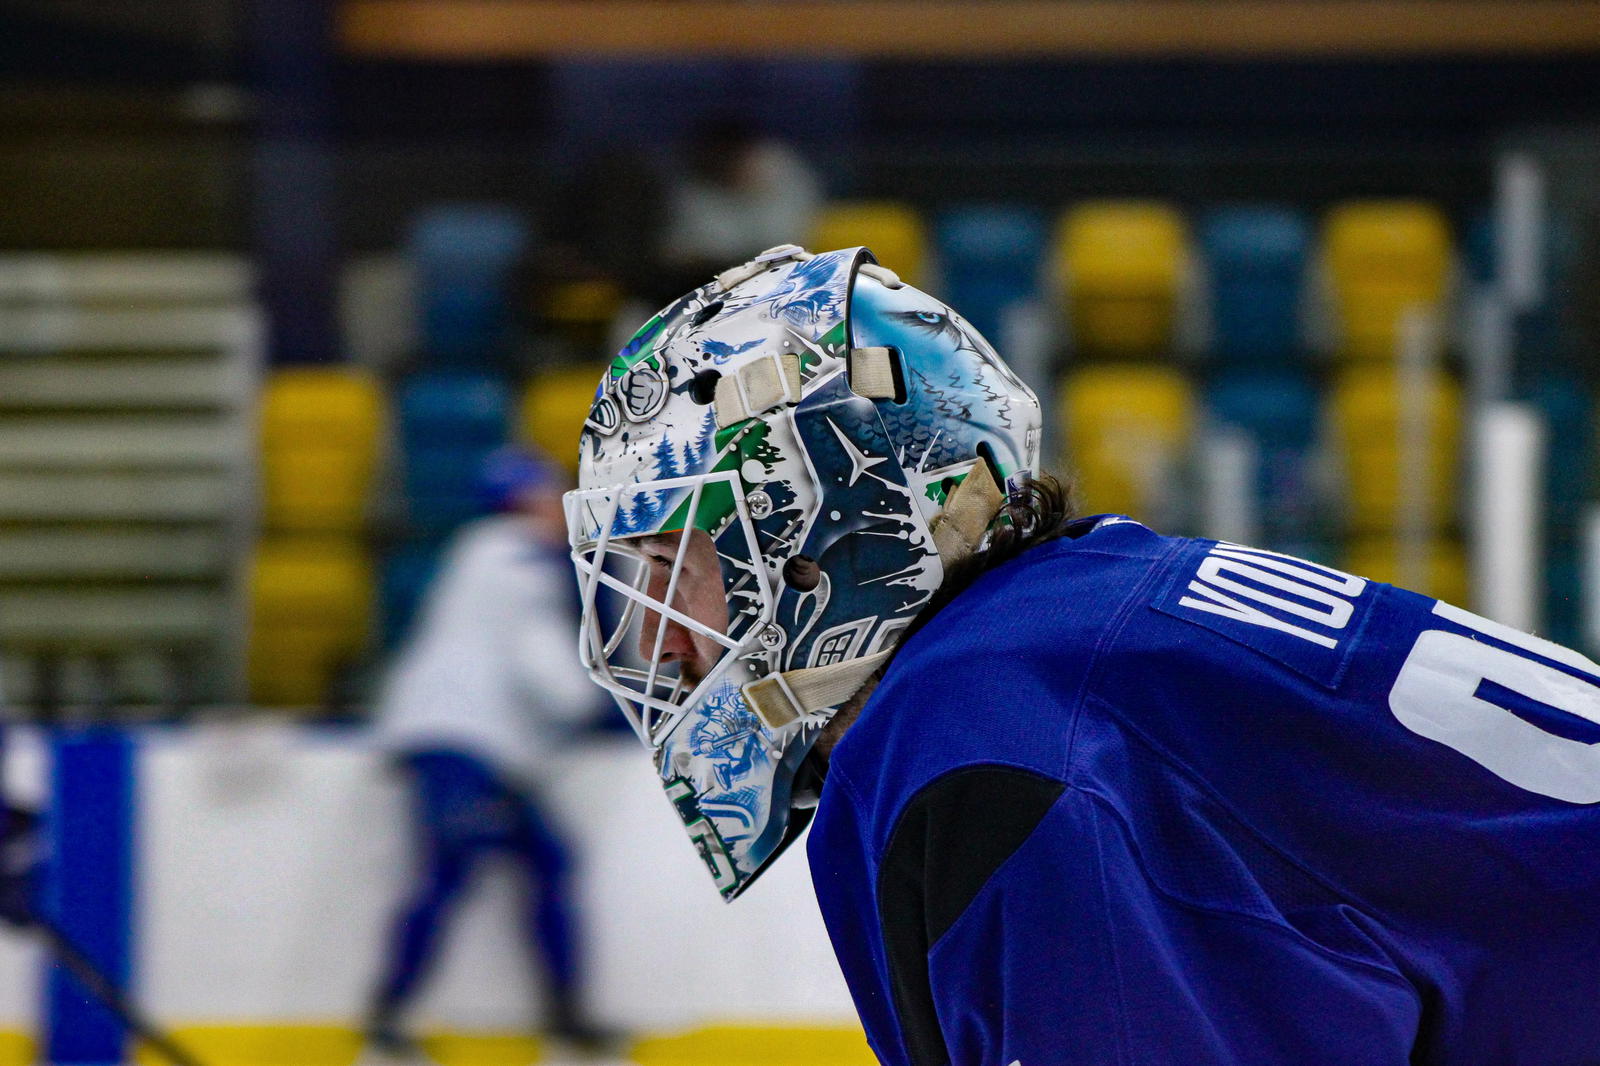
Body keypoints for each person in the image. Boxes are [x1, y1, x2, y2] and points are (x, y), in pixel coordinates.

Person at [564, 244, 1600, 1065]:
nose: (651, 630)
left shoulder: (990, 742)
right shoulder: (1078, 628)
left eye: (670, 560)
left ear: (814, 534)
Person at [363, 446, 614, 1064]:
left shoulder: (479, 551)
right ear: (527, 500)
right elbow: (542, 661)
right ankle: (387, 1019)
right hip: (465, 743)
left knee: (535, 864)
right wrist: (600, 706)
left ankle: (563, 1015)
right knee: (454, 866)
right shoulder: (517, 555)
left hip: (473, 745)